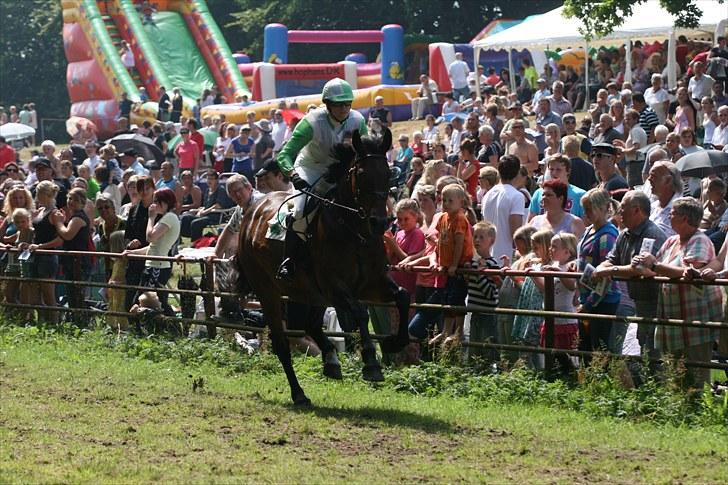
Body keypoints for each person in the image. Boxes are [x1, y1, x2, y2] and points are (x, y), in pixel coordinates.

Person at [274, 78, 367, 279]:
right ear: (327, 104)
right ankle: (289, 260)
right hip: (310, 169)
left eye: (347, 103)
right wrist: (293, 175)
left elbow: (366, 152)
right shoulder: (311, 122)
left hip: (340, 171)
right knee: (300, 210)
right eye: (339, 104)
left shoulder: (358, 120)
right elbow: (284, 155)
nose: (344, 108)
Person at [634, 198, 721, 389]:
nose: (669, 216)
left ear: (685, 218)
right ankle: (678, 412)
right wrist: (641, 267)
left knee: (696, 373)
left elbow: (686, 271)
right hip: (673, 318)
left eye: (673, 213)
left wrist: (654, 264)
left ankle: (697, 411)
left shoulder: (700, 240)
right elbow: (657, 270)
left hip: (694, 319)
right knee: (674, 373)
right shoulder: (672, 241)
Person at [594, 190, 667, 363]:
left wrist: (609, 271)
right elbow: (609, 260)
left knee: (653, 348)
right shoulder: (624, 235)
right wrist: (603, 268)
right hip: (640, 298)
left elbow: (639, 268)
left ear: (637, 210)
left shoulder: (651, 233)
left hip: (655, 300)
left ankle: (657, 386)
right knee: (645, 344)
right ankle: (648, 386)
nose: (619, 212)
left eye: (623, 208)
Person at [124, 188, 180, 316]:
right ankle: (169, 327)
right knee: (155, 301)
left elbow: (150, 237)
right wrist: (131, 253)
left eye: (156, 201)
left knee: (151, 301)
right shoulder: (166, 218)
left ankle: (172, 327)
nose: (153, 205)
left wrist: (151, 218)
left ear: (165, 202)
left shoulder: (169, 217)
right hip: (153, 265)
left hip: (157, 267)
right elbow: (153, 247)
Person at [429, 183, 473, 346]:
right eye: (444, 200)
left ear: (461, 201)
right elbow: (441, 240)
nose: (446, 203)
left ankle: (459, 331)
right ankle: (446, 330)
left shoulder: (460, 219)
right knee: (447, 298)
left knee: (457, 297)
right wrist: (441, 262)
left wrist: (454, 264)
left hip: (459, 265)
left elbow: (460, 243)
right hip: (447, 267)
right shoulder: (443, 218)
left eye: (450, 201)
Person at [577, 188, 620, 353]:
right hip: (587, 297)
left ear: (603, 208)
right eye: (585, 208)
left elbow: (605, 276)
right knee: (586, 348)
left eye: (589, 209)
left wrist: (588, 305)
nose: (586, 213)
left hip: (601, 301)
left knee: (600, 350)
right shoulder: (589, 230)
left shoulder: (607, 236)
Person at [23, 181, 64, 324]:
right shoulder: (40, 211)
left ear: (43, 194)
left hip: (48, 257)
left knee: (49, 296)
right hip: (36, 255)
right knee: (34, 296)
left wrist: (41, 246)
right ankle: (42, 322)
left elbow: (60, 240)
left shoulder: (55, 213)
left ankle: (54, 324)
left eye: (38, 193)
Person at [52, 187, 91, 324]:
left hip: (78, 262)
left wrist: (58, 222)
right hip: (71, 261)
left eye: (75, 199)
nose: (71, 202)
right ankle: (76, 322)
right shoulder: (73, 217)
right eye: (69, 198)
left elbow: (68, 235)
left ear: (82, 202)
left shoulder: (78, 218)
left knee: (77, 294)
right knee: (72, 293)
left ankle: (80, 323)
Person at [481, 155, 526, 261]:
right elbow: (516, 231)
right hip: (507, 258)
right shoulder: (517, 196)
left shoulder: (487, 195)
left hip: (489, 257)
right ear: (517, 172)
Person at [123, 176, 155, 310]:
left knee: (144, 298)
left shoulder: (158, 210)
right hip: (134, 258)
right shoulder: (133, 210)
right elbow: (127, 235)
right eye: (141, 189)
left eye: (148, 188)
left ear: (153, 189)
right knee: (129, 298)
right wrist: (130, 243)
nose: (145, 192)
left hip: (151, 258)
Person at [647, 161, 682, 238]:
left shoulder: (681, 209)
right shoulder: (651, 207)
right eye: (649, 175)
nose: (649, 179)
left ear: (668, 180)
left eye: (654, 176)